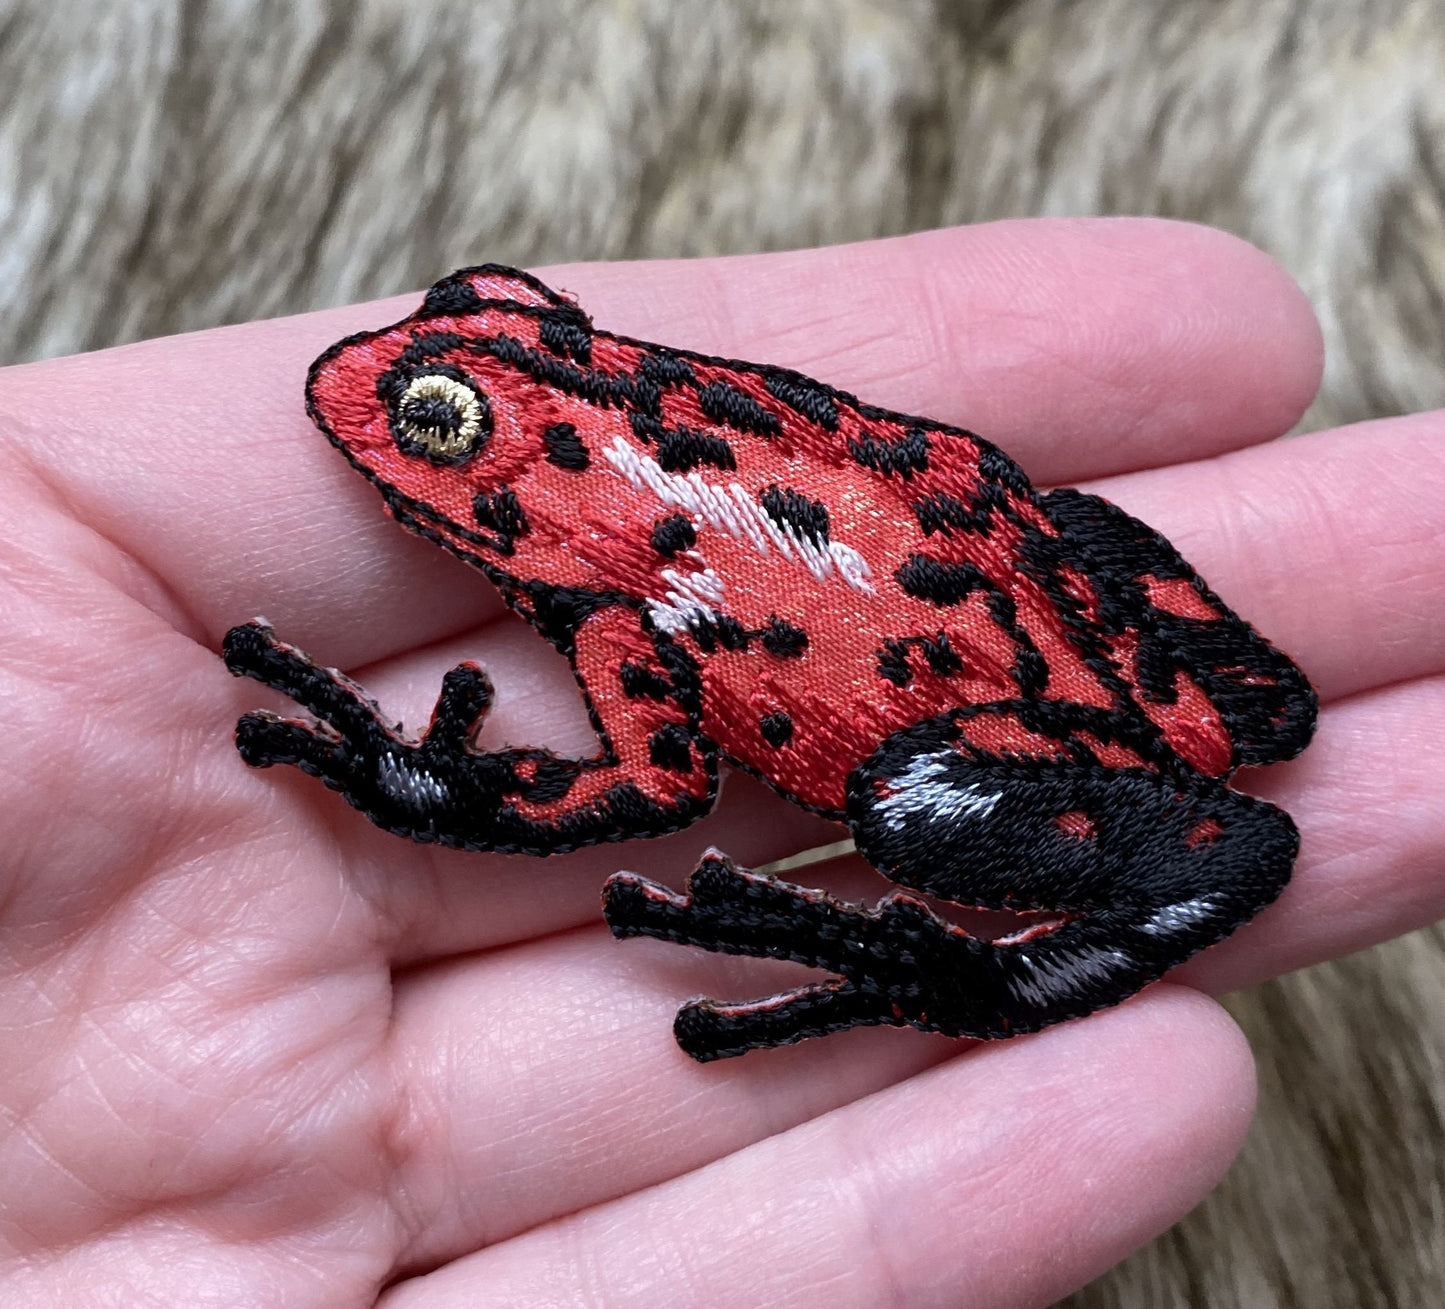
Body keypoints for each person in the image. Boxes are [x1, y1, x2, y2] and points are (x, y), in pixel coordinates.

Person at [0, 218, 1438, 1307]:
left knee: (930, 805)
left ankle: (1010, 970)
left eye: (442, 418)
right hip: (1064, 640)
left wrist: (425, 790)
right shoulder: (689, 446)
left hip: (988, 723)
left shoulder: (621, 595)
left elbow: (654, 784)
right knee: (1032, 693)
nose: (385, 402)